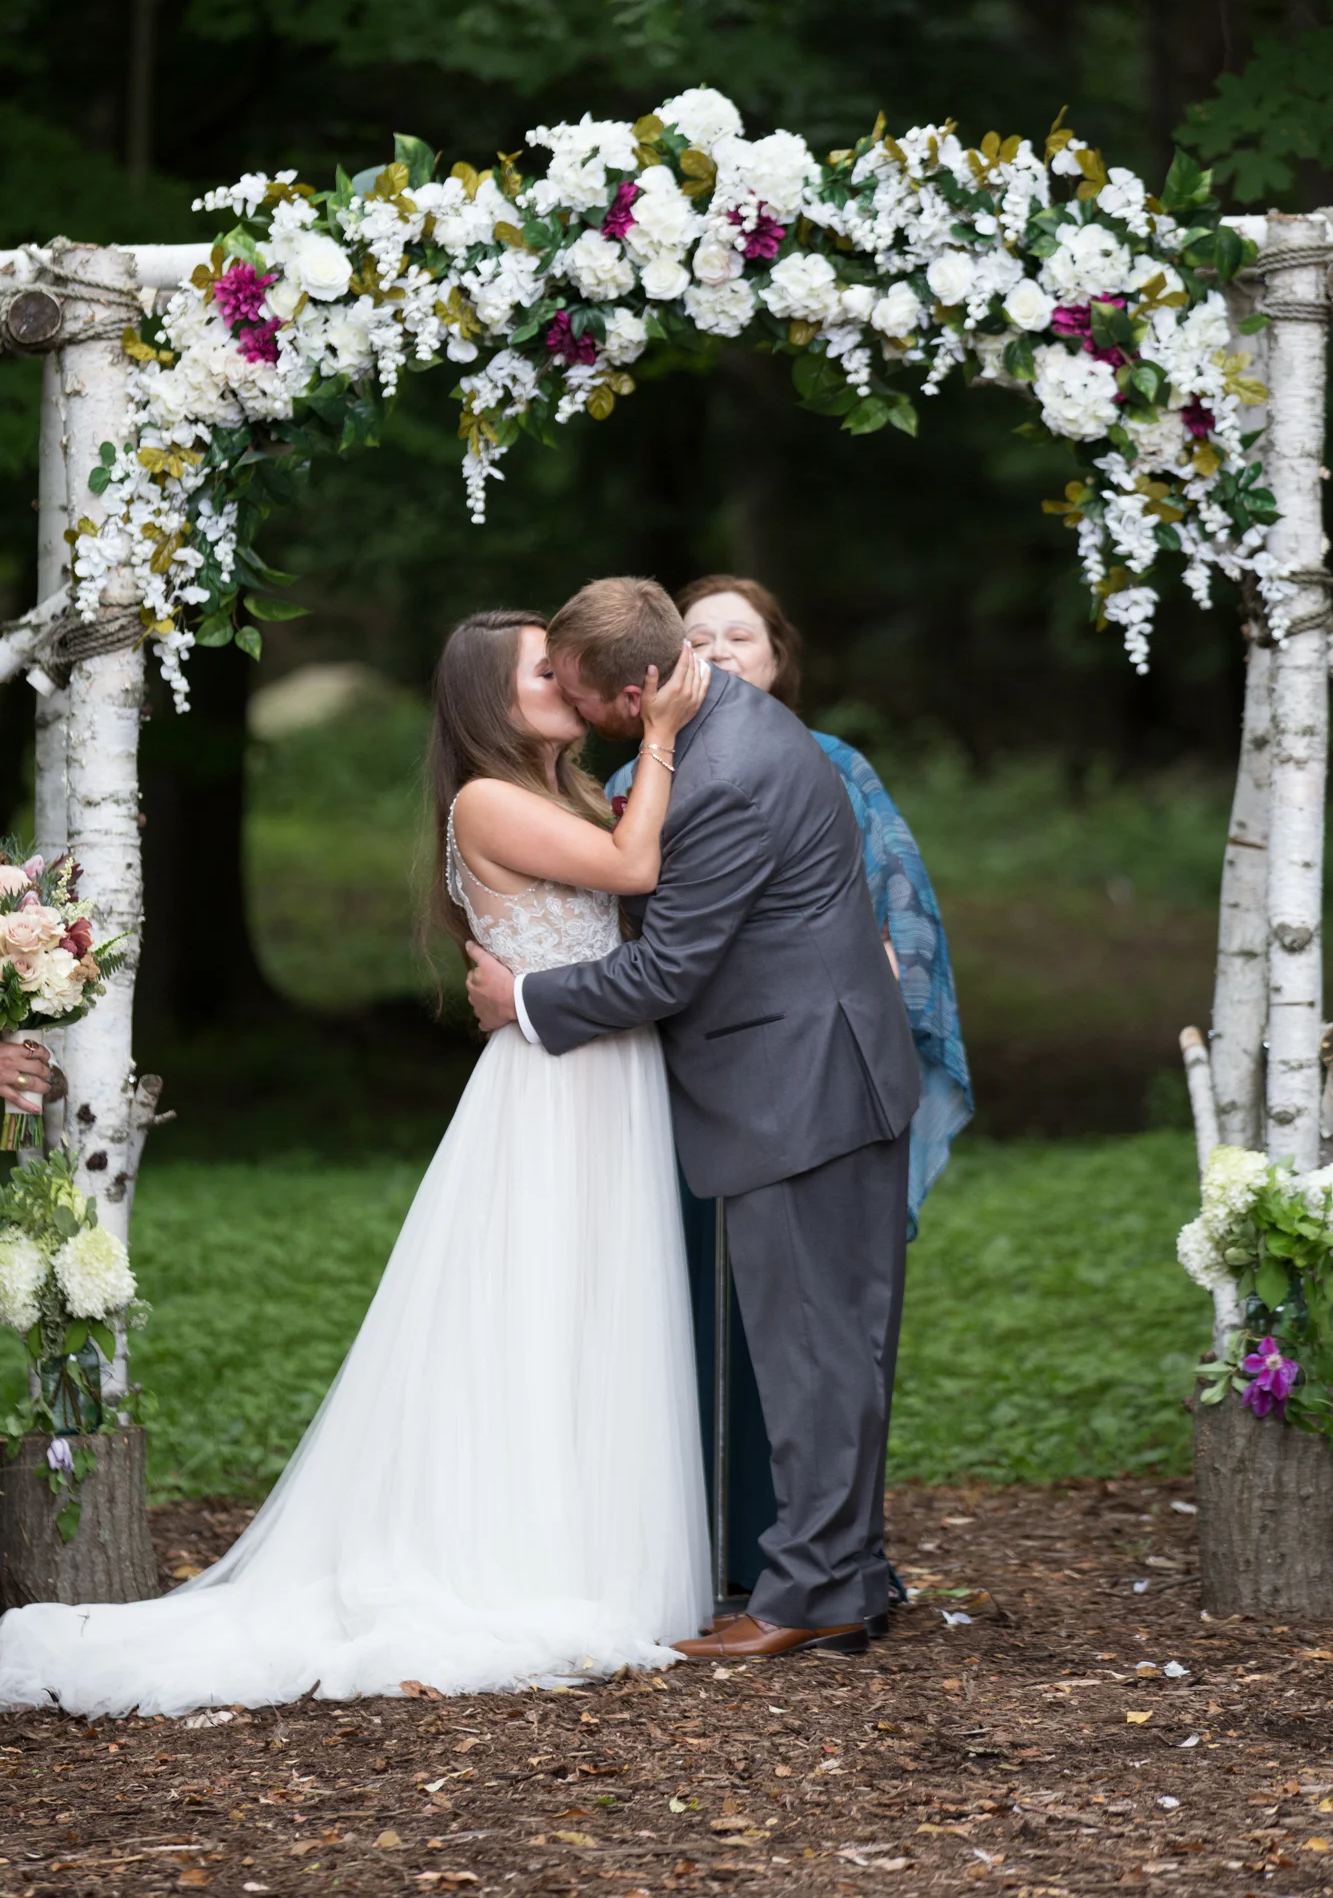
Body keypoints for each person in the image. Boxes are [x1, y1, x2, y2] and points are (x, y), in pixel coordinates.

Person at [0, 613, 712, 1716]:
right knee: (535, 1312)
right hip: (552, 1091)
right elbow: (636, 864)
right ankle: (518, 1556)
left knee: (593, 1313)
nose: (568, 679)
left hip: (603, 1077)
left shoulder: (568, 788)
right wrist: (661, 730)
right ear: (488, 696)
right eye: (542, 668)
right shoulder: (487, 798)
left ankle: (592, 1544)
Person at [468, 577, 921, 1661]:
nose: (573, 714)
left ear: (635, 690)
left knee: (814, 1351)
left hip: (798, 1084)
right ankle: (843, 1578)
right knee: (836, 1343)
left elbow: (667, 968)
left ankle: (809, 1596)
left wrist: (522, 1000)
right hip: (822, 1073)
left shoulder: (720, 774)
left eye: (582, 696)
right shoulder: (720, 725)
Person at [605, 576, 972, 1605]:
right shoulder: (635, 775)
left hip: (799, 1080)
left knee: (813, 1326)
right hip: (696, 1083)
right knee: (748, 1324)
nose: (718, 649)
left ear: (778, 657)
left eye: (740, 635)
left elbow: (895, 900)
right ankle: (754, 1556)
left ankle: (817, 1567)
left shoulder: (822, 764)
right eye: (698, 634)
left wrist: (878, 977)